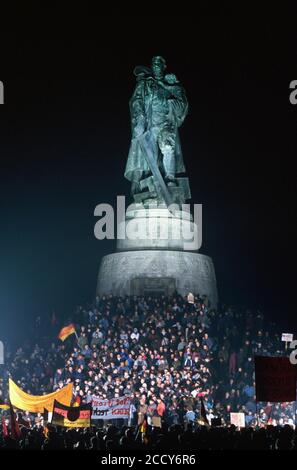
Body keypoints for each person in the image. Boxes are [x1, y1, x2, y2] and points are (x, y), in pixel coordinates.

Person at [125, 56, 188, 194]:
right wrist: (140, 120)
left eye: (159, 64)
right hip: (150, 124)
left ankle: (170, 177)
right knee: (149, 155)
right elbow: (136, 101)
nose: (156, 66)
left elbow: (182, 103)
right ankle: (150, 182)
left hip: (166, 123)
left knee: (168, 147)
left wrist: (172, 89)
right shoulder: (146, 84)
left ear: (164, 66)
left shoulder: (171, 84)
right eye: (154, 64)